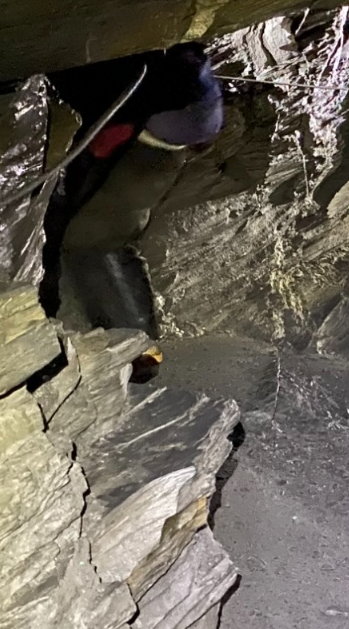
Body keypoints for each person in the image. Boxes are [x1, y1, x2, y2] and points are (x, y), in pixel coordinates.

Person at [46, 41, 224, 378]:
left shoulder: (132, 101)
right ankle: (139, 350)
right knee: (93, 238)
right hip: (172, 122)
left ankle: (140, 350)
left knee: (93, 240)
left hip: (156, 138)